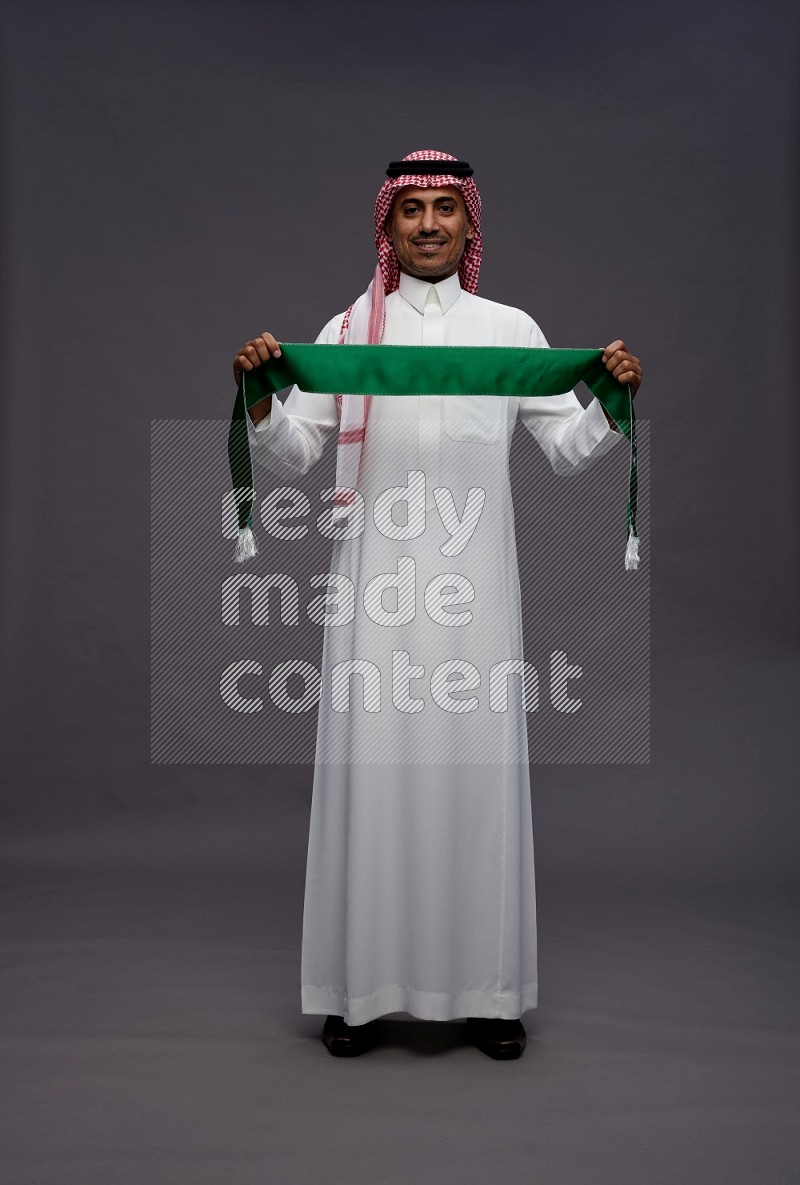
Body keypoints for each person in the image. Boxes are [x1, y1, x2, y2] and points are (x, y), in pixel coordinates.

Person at [233, 149, 643, 1060]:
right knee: (369, 775)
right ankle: (356, 989)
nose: (427, 224)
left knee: (476, 776)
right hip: (372, 589)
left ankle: (489, 994)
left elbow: (569, 449)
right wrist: (262, 399)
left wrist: (611, 395)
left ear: (469, 225)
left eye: (443, 209)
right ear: (387, 225)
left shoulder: (509, 329)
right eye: (410, 209)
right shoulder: (348, 331)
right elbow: (297, 452)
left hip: (476, 598)